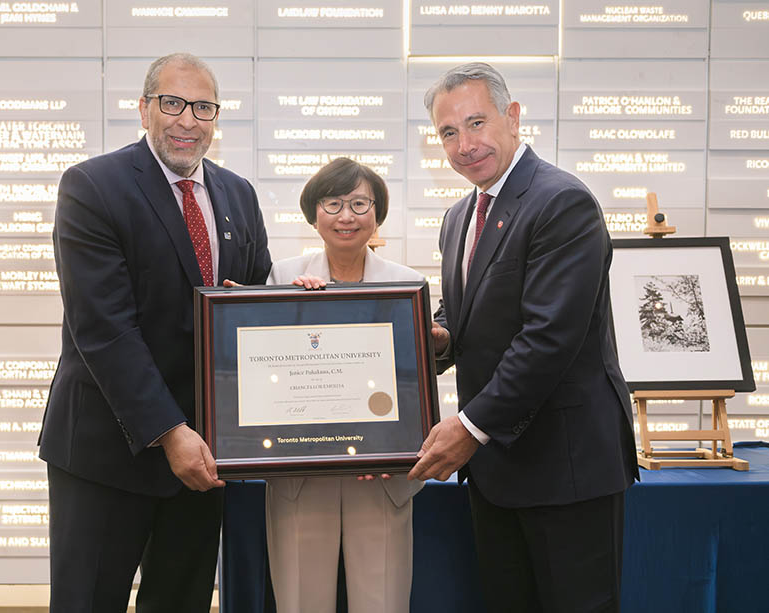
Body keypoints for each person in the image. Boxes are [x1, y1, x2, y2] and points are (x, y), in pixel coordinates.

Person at [39, 52, 271, 612]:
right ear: (144, 109)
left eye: (203, 107)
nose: (187, 120)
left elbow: (252, 302)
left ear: (217, 117)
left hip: (203, 458)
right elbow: (104, 328)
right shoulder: (93, 186)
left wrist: (299, 306)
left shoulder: (237, 192)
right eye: (172, 103)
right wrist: (170, 432)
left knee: (182, 602)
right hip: (107, 451)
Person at [408, 62, 639, 612]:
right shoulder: (459, 216)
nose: (464, 144)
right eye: (448, 132)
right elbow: (465, 317)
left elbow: (548, 338)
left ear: (512, 118)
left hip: (566, 466)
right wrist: (436, 339)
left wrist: (469, 426)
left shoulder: (561, 201)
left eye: (476, 123)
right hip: (497, 470)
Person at [264, 157, 424, 613]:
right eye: (332, 203)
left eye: (359, 203)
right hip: (302, 473)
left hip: (380, 474)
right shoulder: (283, 278)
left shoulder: (407, 285)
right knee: (299, 601)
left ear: (378, 213)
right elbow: (269, 374)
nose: (346, 215)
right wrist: (288, 309)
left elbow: (413, 387)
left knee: (383, 602)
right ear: (314, 214)